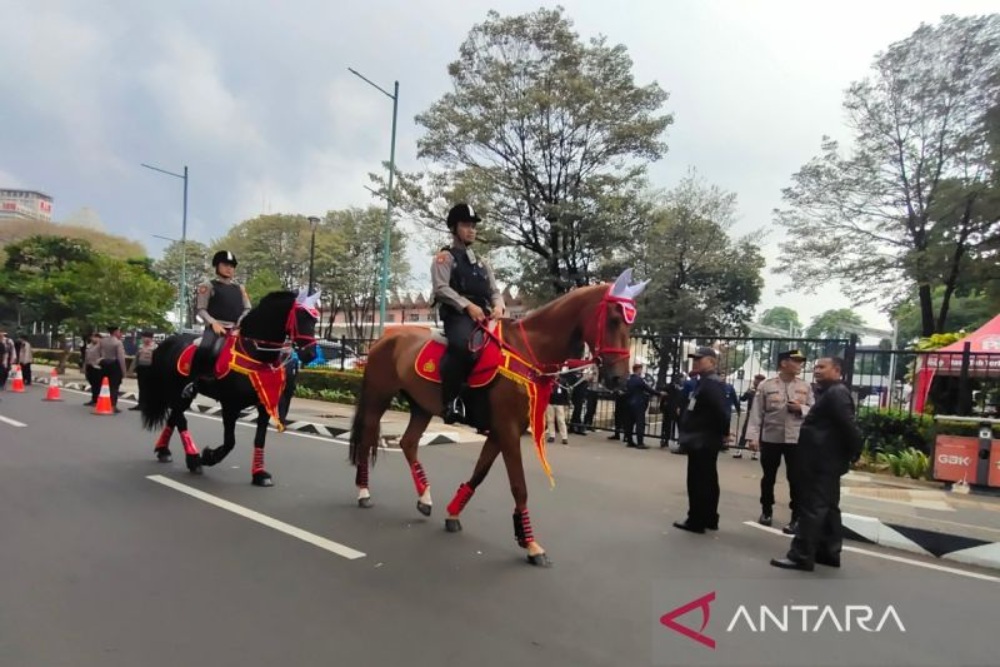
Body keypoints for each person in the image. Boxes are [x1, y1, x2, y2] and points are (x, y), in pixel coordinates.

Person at [771, 357, 863, 571]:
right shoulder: (832, 392)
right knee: (829, 507)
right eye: (816, 367)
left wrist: (855, 450)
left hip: (822, 461)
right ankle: (828, 552)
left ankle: (801, 555)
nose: (817, 371)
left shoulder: (837, 393)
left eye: (822, 367)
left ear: (837, 370)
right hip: (825, 459)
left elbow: (848, 426)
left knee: (812, 507)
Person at [430, 203, 505, 423]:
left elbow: (494, 291)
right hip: (458, 316)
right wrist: (467, 306)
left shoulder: (483, 263)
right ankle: (452, 400)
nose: (471, 230)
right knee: (464, 346)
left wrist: (499, 306)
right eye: (466, 225)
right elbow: (441, 288)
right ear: (454, 228)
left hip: (485, 316)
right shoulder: (445, 258)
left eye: (473, 226)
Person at [745, 349, 814, 534]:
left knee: (796, 479)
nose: (800, 365)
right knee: (768, 477)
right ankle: (766, 510)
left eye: (801, 361)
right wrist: (753, 437)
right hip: (771, 438)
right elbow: (757, 413)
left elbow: (814, 411)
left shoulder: (805, 386)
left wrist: (801, 408)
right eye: (796, 361)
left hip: (796, 439)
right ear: (784, 363)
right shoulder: (766, 385)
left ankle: (796, 517)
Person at [672, 347, 729, 534]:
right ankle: (710, 517)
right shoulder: (705, 382)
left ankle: (696, 520)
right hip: (704, 438)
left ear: (712, 362)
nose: (695, 361)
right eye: (694, 359)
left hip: (703, 439)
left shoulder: (711, 384)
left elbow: (722, 412)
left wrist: (723, 434)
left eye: (700, 359)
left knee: (698, 481)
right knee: (708, 479)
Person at [192, 250, 251, 384]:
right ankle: (195, 381)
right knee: (205, 348)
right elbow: (201, 309)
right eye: (225, 265)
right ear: (217, 266)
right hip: (215, 328)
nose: (229, 268)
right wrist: (213, 323)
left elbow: (247, 308)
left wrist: (240, 323)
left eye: (232, 266)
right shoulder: (207, 286)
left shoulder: (240, 288)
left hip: (236, 329)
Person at [623, 362, 660, 449]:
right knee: (640, 423)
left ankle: (630, 441)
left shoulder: (629, 380)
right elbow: (648, 389)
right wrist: (659, 393)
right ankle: (640, 443)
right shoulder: (639, 380)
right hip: (638, 404)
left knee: (630, 423)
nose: (641, 371)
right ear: (638, 370)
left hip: (629, 403)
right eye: (641, 369)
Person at [733, 374, 766, 459]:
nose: (756, 381)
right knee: (745, 432)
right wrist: (739, 396)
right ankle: (739, 450)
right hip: (750, 413)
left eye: (759, 380)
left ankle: (754, 452)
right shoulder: (750, 390)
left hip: (761, 414)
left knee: (758, 433)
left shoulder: (765, 391)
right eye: (756, 380)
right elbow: (743, 398)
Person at [98, 326, 127, 412]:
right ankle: (113, 405)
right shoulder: (118, 343)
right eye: (119, 331)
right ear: (115, 332)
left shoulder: (103, 341)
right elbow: (121, 358)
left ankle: (102, 402)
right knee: (114, 386)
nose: (120, 333)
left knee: (104, 384)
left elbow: (97, 352)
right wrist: (124, 371)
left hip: (104, 364)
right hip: (114, 365)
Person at [128, 331, 157, 410]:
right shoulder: (140, 346)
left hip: (151, 369)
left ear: (151, 338)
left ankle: (149, 405)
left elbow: (158, 360)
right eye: (144, 337)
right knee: (141, 387)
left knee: (149, 387)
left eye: (147, 337)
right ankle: (140, 404)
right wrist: (131, 369)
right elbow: (136, 358)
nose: (145, 339)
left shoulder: (155, 347)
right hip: (141, 368)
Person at [546, 375, 571, 445]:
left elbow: (566, 393)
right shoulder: (548, 380)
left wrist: (566, 403)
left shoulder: (563, 381)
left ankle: (564, 437)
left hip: (560, 403)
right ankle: (552, 436)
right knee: (550, 420)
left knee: (561, 420)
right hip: (550, 402)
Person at [83, 332, 102, 405]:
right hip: (90, 366)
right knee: (93, 384)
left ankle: (98, 399)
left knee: (97, 384)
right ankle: (94, 399)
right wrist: (84, 367)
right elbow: (86, 357)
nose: (93, 339)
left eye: (95, 337)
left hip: (98, 367)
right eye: (92, 337)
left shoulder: (101, 346)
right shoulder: (89, 346)